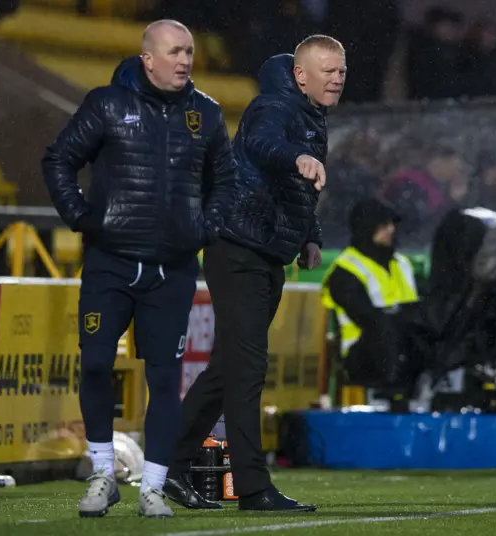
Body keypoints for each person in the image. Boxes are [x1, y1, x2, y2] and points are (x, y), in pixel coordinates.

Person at [41, 19, 235, 518]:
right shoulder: (107, 103)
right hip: (111, 262)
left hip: (172, 270)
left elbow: (226, 183)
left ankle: (153, 486)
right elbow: (58, 159)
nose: (185, 61)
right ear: (147, 59)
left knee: (165, 377)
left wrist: (204, 229)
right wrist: (82, 218)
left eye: (190, 51)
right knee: (96, 363)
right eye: (174, 52)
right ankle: (104, 474)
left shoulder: (207, 114)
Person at [165, 35, 346, 512]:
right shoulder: (274, 107)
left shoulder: (309, 115)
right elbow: (267, 147)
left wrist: (310, 235)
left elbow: (299, 190)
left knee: (227, 371)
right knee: (247, 371)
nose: (337, 77)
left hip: (265, 251)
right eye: (327, 70)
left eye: (341, 70)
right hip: (238, 247)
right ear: (300, 75)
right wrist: (298, 157)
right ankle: (252, 488)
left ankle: (167, 466)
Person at [321, 199, 419, 388]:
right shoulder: (345, 271)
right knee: (384, 328)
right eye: (383, 225)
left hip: (404, 344)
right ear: (366, 227)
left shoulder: (402, 263)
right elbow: (368, 318)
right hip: (362, 353)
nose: (391, 229)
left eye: (391, 224)